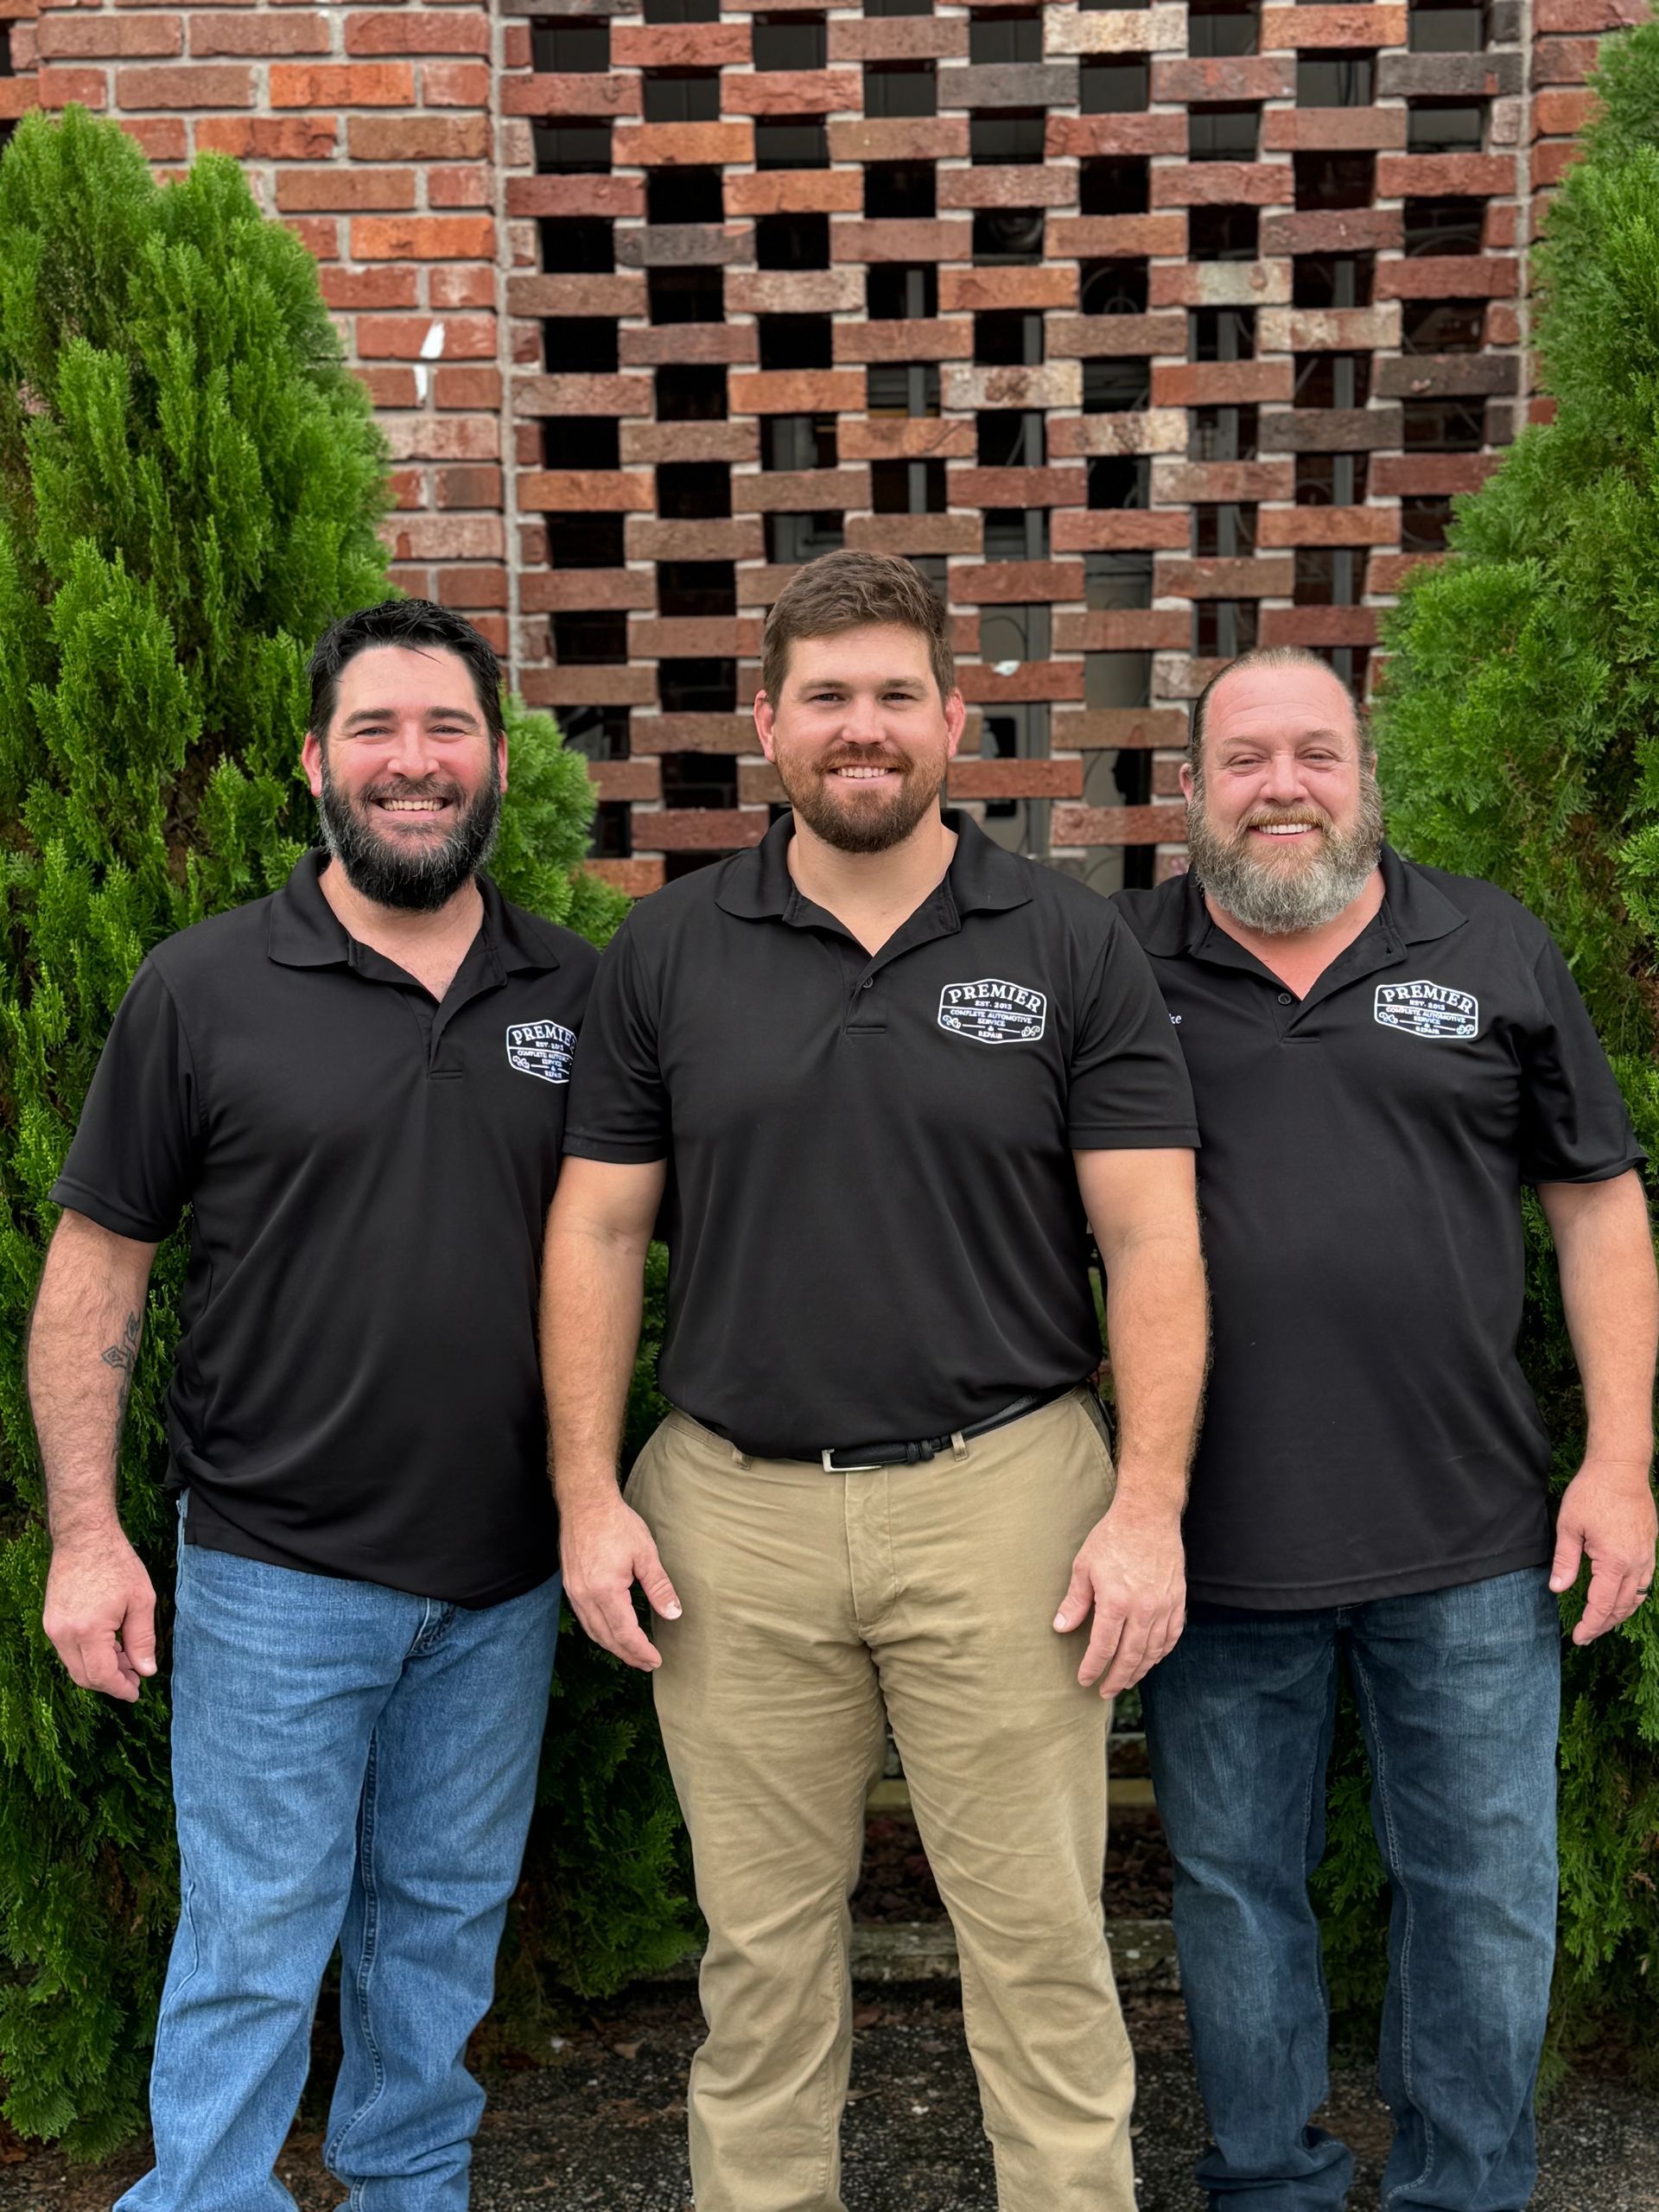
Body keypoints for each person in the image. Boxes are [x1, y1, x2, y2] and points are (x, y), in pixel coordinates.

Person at [541, 549, 1209, 2212]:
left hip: (1007, 1499)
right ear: (767, 723)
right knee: (758, 1969)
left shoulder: (1067, 940)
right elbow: (602, 1232)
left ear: (953, 720)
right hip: (733, 1519)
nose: (864, 729)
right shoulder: (668, 950)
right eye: (827, 697)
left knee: (1043, 1952)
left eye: (896, 694)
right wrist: (586, 1495)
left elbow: (1154, 1245)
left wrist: (1147, 1509)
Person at [29, 600, 598, 2212]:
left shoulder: (579, 991)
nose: (412, 764)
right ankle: (204, 2197)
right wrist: (89, 1534)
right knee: (255, 1937)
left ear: (495, 761)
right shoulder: (204, 986)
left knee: (440, 1931)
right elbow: (97, 1276)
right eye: (376, 730)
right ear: (314, 763)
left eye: (446, 731)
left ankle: (413, 2196)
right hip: (277, 1572)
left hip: (503, 1581)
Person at [1116, 643, 1658, 2212]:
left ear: (1365, 774)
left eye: (1314, 755)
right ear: (1193, 787)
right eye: (1243, 759)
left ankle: (1467, 2188)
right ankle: (1267, 2185)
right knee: (1231, 1895)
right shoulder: (1114, 963)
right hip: (1210, 1546)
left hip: (1473, 1534)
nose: (1280, 787)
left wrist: (1618, 1461)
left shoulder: (1487, 944)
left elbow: (1599, 1202)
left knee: (1485, 1899)